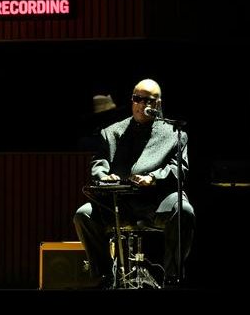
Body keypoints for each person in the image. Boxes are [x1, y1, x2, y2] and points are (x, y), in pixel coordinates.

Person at [73, 79, 195, 287]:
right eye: (137, 99)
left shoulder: (175, 134)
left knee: (184, 211)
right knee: (83, 215)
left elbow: (179, 168)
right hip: (120, 203)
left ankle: (172, 277)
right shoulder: (111, 132)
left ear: (157, 104)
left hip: (158, 202)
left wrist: (154, 177)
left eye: (147, 100)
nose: (141, 104)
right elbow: (98, 164)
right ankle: (105, 275)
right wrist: (104, 176)